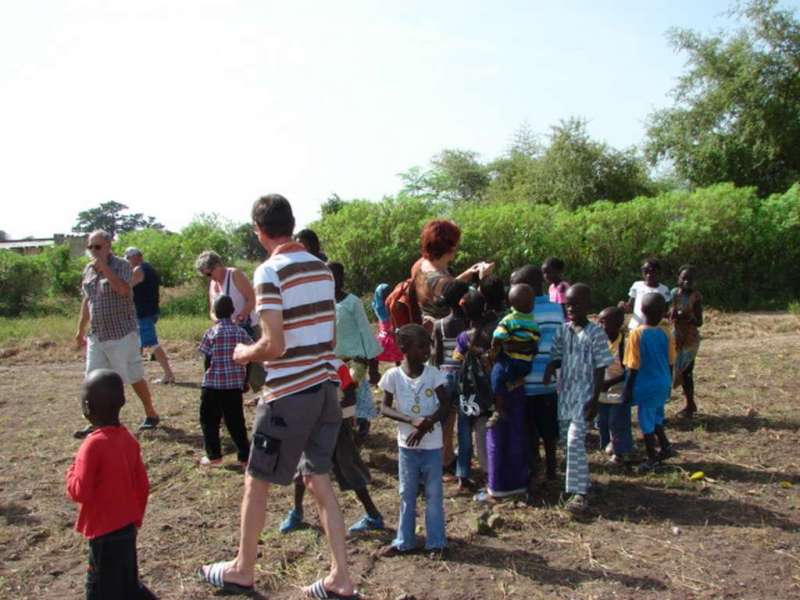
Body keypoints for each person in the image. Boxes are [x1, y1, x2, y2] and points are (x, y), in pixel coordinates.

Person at [198, 194, 358, 599]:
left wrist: (243, 352)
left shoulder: (269, 271)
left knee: (256, 479)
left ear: (259, 232)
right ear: (291, 223)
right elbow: (331, 336)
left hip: (289, 394)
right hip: (326, 389)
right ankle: (341, 577)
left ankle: (242, 569)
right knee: (319, 479)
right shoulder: (322, 270)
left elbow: (273, 344)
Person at [66, 369, 155, 599]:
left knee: (100, 591)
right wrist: (136, 519)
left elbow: (80, 491)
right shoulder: (129, 439)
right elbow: (143, 486)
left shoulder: (92, 445)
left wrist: (71, 472)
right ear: (123, 402)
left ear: (86, 407)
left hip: (103, 536)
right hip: (127, 529)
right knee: (128, 585)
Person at [278, 361, 384, 535]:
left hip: (338, 425)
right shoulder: (300, 364)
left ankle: (373, 516)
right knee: (303, 468)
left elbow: (350, 396)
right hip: (310, 425)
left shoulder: (337, 365)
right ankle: (297, 513)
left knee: (348, 466)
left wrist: (342, 419)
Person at [74, 230, 160, 438]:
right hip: (98, 334)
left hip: (121, 333)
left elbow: (123, 290)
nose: (93, 251)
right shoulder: (88, 270)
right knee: (92, 379)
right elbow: (88, 301)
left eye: (97, 246)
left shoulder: (121, 265)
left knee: (131, 376)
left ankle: (151, 413)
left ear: (108, 246)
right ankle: (97, 423)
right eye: (90, 247)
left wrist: (104, 268)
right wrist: (80, 330)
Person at [378, 324, 450, 558]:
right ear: (403, 348)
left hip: (432, 447)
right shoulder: (392, 376)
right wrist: (411, 420)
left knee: (434, 495)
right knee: (406, 494)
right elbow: (384, 407)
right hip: (406, 447)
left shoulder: (433, 374)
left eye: (428, 346)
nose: (427, 352)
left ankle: (437, 542)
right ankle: (404, 541)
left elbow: (446, 404)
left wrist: (428, 422)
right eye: (421, 347)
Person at [544, 284, 613, 514]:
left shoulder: (596, 333)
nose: (571, 308)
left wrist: (594, 399)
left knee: (574, 441)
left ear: (587, 306)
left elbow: (601, 368)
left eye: (576, 304)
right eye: (568, 304)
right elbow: (556, 356)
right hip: (565, 396)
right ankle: (582, 482)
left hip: (584, 396)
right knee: (567, 442)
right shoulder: (563, 331)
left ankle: (578, 494)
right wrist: (549, 368)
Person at [511, 266, 563, 503]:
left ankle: (536, 468)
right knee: (549, 430)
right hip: (550, 383)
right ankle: (552, 469)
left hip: (527, 383)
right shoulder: (556, 309)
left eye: (515, 285)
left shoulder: (520, 314)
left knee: (531, 430)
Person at [195, 250, 265, 394]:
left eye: (209, 273)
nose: (209, 278)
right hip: (228, 332)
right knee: (239, 367)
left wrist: (239, 317)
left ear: (218, 265)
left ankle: (268, 395)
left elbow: (252, 299)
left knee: (258, 365)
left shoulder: (234, 275)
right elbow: (212, 311)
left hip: (248, 327)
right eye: (205, 275)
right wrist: (219, 320)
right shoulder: (213, 284)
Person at [327, 262, 381, 443]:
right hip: (333, 362)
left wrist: (373, 365)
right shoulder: (322, 304)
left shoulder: (352, 302)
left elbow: (366, 332)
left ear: (342, 278)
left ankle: (358, 432)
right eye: (329, 277)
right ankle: (349, 433)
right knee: (341, 401)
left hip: (355, 360)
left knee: (352, 395)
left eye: (336, 276)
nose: (333, 281)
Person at [622, 293, 677, 472]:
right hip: (662, 381)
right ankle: (666, 446)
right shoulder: (666, 332)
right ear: (664, 312)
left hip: (646, 384)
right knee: (656, 417)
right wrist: (668, 383)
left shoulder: (636, 334)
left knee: (646, 421)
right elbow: (671, 361)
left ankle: (652, 457)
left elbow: (632, 366)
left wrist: (627, 390)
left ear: (641, 310)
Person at [197, 295, 253, 467]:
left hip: (213, 385)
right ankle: (245, 457)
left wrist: (207, 374)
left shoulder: (211, 332)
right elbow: (249, 357)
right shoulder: (240, 332)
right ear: (232, 311)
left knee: (209, 421)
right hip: (233, 386)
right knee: (236, 422)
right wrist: (245, 380)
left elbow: (207, 359)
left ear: (215, 311)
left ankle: (214, 456)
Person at [411, 219, 493, 327]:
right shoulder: (441, 281)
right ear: (448, 248)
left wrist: (466, 274)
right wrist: (484, 279)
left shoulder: (420, 265)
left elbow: (446, 290)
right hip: (448, 335)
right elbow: (471, 304)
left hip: (430, 329)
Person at [431, 279, 471, 486]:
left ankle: (444, 460)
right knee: (464, 425)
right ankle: (463, 468)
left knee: (445, 423)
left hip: (446, 376)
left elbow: (437, 357)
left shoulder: (440, 325)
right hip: (467, 377)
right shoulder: (470, 323)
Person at [451, 290, 492, 487]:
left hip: (467, 390)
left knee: (464, 431)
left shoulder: (463, 337)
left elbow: (457, 359)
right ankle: (487, 471)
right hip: (485, 389)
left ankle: (463, 474)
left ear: (465, 312)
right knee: (483, 430)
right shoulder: (490, 332)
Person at [487, 283, 540, 427]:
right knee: (505, 378)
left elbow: (498, 337)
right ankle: (512, 383)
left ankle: (498, 409)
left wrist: (494, 349)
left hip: (511, 361)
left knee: (496, 377)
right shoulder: (533, 321)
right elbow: (534, 342)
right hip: (526, 365)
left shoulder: (509, 320)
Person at [124, 247, 175, 384]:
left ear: (135, 257)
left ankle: (168, 374)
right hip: (148, 311)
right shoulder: (148, 268)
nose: (128, 262)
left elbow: (126, 286)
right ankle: (134, 373)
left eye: (128, 259)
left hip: (143, 313)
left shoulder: (139, 270)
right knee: (137, 343)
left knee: (152, 344)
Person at [597, 306, 634, 465]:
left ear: (617, 324)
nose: (599, 325)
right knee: (602, 421)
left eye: (603, 322)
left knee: (617, 422)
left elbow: (629, 371)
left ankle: (620, 452)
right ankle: (608, 444)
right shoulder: (599, 341)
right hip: (601, 391)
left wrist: (610, 382)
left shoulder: (625, 344)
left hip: (619, 390)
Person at [670, 265, 703, 418]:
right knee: (673, 369)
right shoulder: (673, 294)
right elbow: (666, 313)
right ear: (678, 278)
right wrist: (672, 314)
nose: (687, 282)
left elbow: (699, 321)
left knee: (687, 371)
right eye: (684, 278)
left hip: (690, 338)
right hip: (676, 336)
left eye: (690, 279)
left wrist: (688, 317)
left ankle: (690, 404)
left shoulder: (696, 297)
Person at [619, 258, 671, 331]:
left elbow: (665, 311)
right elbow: (630, 307)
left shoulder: (664, 290)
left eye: (652, 272)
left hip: (654, 329)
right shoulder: (637, 285)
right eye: (645, 272)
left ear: (659, 272)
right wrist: (624, 306)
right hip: (635, 327)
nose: (648, 275)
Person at [372, 283, 403, 364]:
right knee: (397, 352)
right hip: (391, 331)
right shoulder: (385, 307)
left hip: (384, 333)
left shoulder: (376, 304)